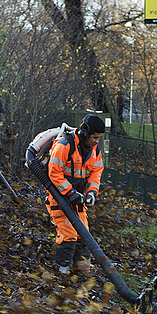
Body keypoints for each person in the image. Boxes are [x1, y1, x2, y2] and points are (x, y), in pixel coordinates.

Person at [46, 114, 106, 275]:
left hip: (78, 200)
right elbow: (54, 173)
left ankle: (82, 273)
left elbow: (96, 172)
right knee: (68, 236)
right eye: (95, 137)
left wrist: (91, 193)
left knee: (84, 236)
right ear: (84, 133)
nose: (96, 141)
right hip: (59, 198)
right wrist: (70, 192)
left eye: (99, 138)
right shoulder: (64, 145)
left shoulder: (95, 150)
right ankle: (61, 274)